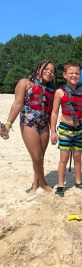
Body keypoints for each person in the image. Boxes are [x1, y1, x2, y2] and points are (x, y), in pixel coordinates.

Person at [3, 60, 57, 193]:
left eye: (52, 71)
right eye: (46, 69)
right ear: (38, 68)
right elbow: (17, 104)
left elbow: (51, 112)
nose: (49, 72)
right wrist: (8, 125)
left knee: (39, 157)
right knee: (37, 156)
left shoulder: (52, 90)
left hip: (44, 125)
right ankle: (43, 182)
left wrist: (52, 130)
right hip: (29, 123)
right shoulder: (25, 83)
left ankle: (35, 183)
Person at [50, 63, 82, 196]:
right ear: (65, 75)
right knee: (63, 158)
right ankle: (60, 184)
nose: (74, 75)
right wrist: (53, 131)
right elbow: (54, 112)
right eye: (71, 73)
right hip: (65, 129)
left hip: (80, 130)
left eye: (77, 73)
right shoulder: (60, 92)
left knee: (77, 157)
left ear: (80, 76)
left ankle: (77, 181)